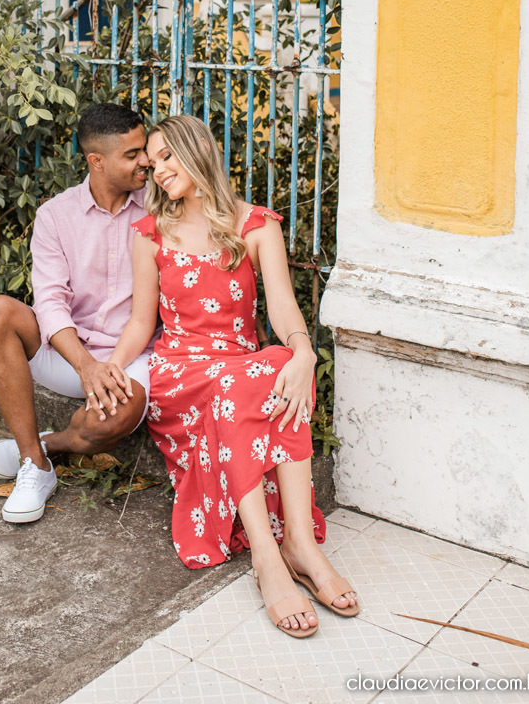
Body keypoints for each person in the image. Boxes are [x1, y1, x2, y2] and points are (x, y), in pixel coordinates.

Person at [109, 114, 359, 638]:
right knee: (247, 379)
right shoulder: (151, 234)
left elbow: (285, 312)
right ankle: (270, 561)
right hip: (181, 375)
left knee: (282, 362)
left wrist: (304, 352)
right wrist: (111, 365)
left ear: (198, 149)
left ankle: (301, 546)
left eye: (166, 157)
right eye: (152, 164)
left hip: (240, 368)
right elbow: (141, 321)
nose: (157, 172)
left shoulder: (256, 225)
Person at [0, 103, 152, 525]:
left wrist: (109, 366)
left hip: (135, 358)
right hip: (70, 355)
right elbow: (50, 301)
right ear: (96, 160)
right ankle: (35, 467)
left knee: (114, 420)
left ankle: (45, 445)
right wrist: (86, 366)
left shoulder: (159, 206)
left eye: (143, 149)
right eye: (132, 154)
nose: (145, 160)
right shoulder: (56, 214)